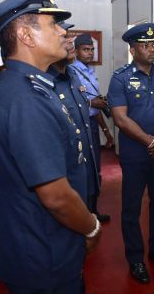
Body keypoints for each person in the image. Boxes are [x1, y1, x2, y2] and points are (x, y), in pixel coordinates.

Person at [0, 0, 101, 294]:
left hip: (42, 240)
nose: (63, 32)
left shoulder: (24, 88)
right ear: (25, 35)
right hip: (44, 250)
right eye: (53, 24)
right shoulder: (27, 98)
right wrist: (91, 227)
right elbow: (55, 196)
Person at [107, 22, 154, 284]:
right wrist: (150, 141)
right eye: (145, 45)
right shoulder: (121, 78)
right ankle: (135, 258)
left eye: (153, 45)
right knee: (132, 207)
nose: (151, 49)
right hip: (136, 154)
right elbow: (120, 119)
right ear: (133, 49)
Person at [49, 22, 100, 230]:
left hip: (85, 145)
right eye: (63, 37)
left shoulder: (71, 75)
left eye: (69, 37)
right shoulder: (45, 81)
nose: (69, 42)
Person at [71, 32, 114, 223]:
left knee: (95, 168)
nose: (90, 53)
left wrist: (106, 131)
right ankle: (82, 214)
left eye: (92, 49)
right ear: (76, 51)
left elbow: (96, 106)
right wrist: (90, 103)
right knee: (82, 170)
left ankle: (93, 210)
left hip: (93, 126)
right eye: (85, 49)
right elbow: (70, 102)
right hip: (78, 125)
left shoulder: (90, 72)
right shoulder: (71, 72)